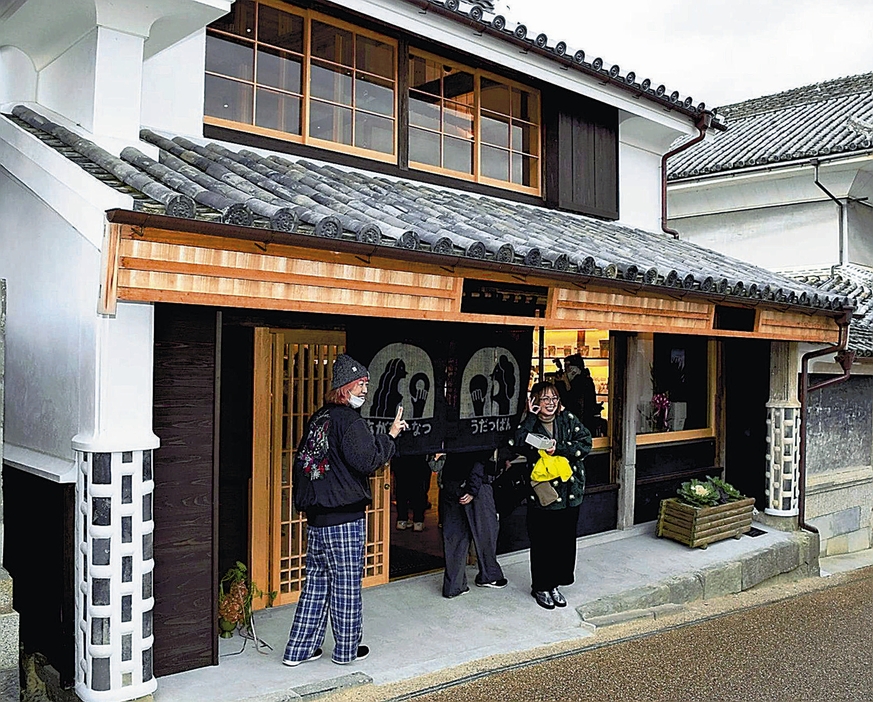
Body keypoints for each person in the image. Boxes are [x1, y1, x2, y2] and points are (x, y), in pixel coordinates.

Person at [283, 354, 408, 667]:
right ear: (343, 387)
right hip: (344, 519)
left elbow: (304, 466)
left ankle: (298, 650)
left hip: (317, 519)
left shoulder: (318, 419)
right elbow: (367, 460)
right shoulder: (349, 421)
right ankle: (346, 651)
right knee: (347, 586)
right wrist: (391, 436)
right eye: (361, 384)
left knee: (316, 585)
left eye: (366, 384)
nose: (365, 389)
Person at [506, 381, 591, 610]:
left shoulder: (568, 419)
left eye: (554, 398)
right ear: (535, 401)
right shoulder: (531, 425)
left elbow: (586, 442)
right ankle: (541, 587)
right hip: (543, 494)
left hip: (569, 492)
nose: (551, 403)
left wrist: (560, 448)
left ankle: (555, 584)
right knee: (542, 541)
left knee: (563, 542)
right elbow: (515, 444)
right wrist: (530, 417)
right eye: (545, 399)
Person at [438, 450, 507, 598]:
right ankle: (490, 575)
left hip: (451, 480)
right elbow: (479, 458)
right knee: (486, 531)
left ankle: (453, 586)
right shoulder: (478, 430)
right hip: (476, 484)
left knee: (454, 536)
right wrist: (473, 489)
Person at [392, 453, 432, 531]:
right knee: (419, 490)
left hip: (401, 457)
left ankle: (402, 520)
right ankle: (418, 522)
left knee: (401, 489)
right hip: (419, 457)